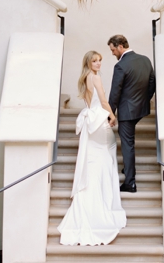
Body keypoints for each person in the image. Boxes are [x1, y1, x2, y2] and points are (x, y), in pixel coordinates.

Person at [59, 48, 126, 247]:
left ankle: (95, 194)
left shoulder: (84, 77)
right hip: (99, 120)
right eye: (95, 61)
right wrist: (113, 116)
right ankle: (102, 198)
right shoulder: (94, 77)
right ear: (89, 62)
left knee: (97, 158)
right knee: (106, 155)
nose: (98, 64)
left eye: (99, 61)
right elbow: (103, 101)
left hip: (91, 121)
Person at [107, 33, 155, 194]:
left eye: (113, 50)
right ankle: (128, 169)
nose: (112, 53)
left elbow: (115, 93)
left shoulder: (120, 66)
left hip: (127, 112)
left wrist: (110, 114)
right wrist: (144, 101)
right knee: (129, 142)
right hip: (140, 109)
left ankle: (130, 183)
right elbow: (152, 83)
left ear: (120, 47)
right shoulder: (145, 60)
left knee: (127, 145)